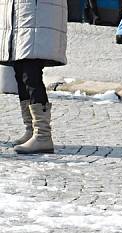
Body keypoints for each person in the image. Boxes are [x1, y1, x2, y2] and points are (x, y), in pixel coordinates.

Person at [0, 0, 67, 154]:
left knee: (30, 73)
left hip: (35, 16)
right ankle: (32, 129)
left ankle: (43, 135)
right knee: (20, 71)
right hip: (20, 16)